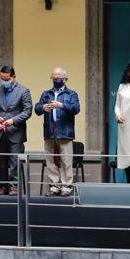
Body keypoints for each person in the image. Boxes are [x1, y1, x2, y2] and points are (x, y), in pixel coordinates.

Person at [34, 67, 80, 196]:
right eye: (53, 78)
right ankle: (54, 186)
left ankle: (66, 187)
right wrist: (42, 107)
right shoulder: (46, 94)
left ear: (65, 79)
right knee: (50, 161)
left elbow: (76, 109)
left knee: (66, 161)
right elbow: (37, 109)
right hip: (49, 132)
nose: (55, 80)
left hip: (65, 132)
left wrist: (61, 106)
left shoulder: (71, 94)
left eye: (58, 78)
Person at [0, 65, 32, 195]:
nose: (4, 82)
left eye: (7, 79)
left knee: (14, 161)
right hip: (0, 132)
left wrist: (13, 120)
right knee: (1, 161)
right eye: (2, 79)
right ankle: (3, 186)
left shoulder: (24, 91)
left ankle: (14, 187)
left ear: (13, 77)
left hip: (16, 132)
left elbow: (27, 111)